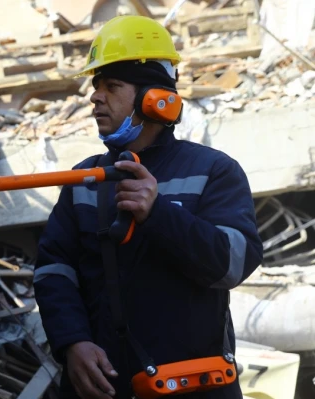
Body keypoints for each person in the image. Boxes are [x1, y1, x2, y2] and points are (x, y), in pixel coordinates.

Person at [32, 15, 263, 399]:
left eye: (112, 86)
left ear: (156, 99)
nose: (95, 97)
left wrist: (159, 213)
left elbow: (234, 263)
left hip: (192, 386)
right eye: (96, 86)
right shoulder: (84, 179)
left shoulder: (213, 170)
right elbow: (53, 269)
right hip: (103, 388)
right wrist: (71, 342)